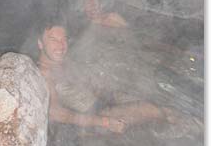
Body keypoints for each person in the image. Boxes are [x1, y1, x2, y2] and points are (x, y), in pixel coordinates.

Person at [37, 22, 180, 134]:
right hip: (93, 119)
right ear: (40, 44)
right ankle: (193, 127)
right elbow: (55, 113)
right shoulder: (44, 74)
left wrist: (107, 89)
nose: (61, 46)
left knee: (158, 101)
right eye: (53, 40)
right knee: (152, 109)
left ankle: (186, 124)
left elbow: (88, 81)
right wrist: (104, 122)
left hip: (104, 102)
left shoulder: (65, 61)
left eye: (63, 39)